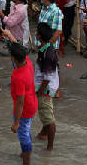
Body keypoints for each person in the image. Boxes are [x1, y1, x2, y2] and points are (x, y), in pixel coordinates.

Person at [3, 40, 38, 165]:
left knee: (23, 136)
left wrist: (16, 123)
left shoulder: (19, 77)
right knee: (26, 131)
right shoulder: (27, 62)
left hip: (25, 109)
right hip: (33, 103)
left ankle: (26, 161)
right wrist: (10, 36)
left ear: (13, 58)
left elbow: (20, 102)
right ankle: (24, 155)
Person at [32, 22, 58, 153]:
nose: (35, 33)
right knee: (46, 114)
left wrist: (39, 92)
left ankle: (50, 147)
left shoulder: (46, 54)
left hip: (46, 89)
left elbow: (47, 78)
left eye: (36, 32)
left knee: (48, 118)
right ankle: (43, 133)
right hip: (49, 87)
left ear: (39, 35)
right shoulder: (48, 48)